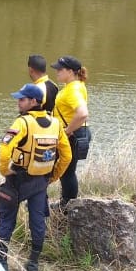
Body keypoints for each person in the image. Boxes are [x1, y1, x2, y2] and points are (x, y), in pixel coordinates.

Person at [0, 83, 71, 271]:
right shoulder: (55, 123)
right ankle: (33, 262)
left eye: (22, 99)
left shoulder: (22, 123)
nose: (18, 102)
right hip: (41, 181)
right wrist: (53, 176)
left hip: (18, 179)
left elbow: (5, 150)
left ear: (33, 101)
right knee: (37, 220)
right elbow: (67, 155)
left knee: (6, 217)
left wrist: (5, 170)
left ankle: (2, 261)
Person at [51, 55, 90, 210]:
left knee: (67, 172)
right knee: (68, 171)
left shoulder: (72, 89)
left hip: (73, 135)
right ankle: (66, 203)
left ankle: (67, 206)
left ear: (71, 71)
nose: (57, 72)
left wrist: (67, 131)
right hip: (79, 132)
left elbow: (82, 113)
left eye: (60, 69)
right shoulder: (76, 85)